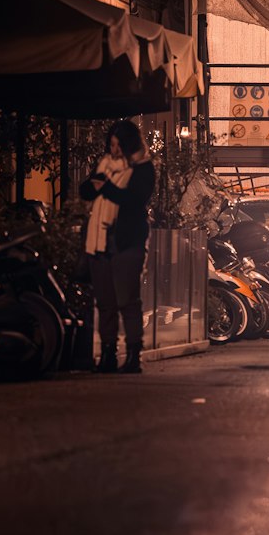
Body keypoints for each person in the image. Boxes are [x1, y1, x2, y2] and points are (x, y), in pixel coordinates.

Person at [80, 120, 155, 374]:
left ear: (129, 144)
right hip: (99, 241)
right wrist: (94, 184)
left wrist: (107, 188)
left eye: (118, 145)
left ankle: (134, 356)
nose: (114, 150)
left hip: (126, 242)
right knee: (105, 303)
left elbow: (134, 200)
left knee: (128, 301)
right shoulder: (105, 166)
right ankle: (108, 355)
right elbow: (86, 192)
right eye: (111, 144)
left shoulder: (143, 169)